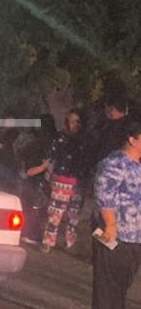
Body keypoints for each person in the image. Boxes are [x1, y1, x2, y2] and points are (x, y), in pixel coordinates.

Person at [88, 120, 141, 309]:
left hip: (135, 234)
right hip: (114, 231)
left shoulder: (136, 165)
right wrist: (110, 224)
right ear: (132, 139)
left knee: (123, 277)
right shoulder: (114, 163)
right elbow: (105, 195)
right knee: (107, 276)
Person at [42, 108, 87, 252]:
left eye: (76, 121)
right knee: (55, 212)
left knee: (73, 214)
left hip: (78, 181)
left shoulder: (85, 140)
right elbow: (51, 157)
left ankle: (70, 242)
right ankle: (48, 241)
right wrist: (47, 176)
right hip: (61, 180)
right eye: (69, 121)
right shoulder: (59, 138)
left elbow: (88, 161)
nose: (72, 124)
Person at [13, 120, 55, 246]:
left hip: (32, 183)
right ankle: (31, 234)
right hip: (32, 184)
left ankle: (30, 233)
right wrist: (43, 167)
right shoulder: (36, 147)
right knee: (33, 209)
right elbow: (29, 171)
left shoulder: (37, 145)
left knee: (32, 209)